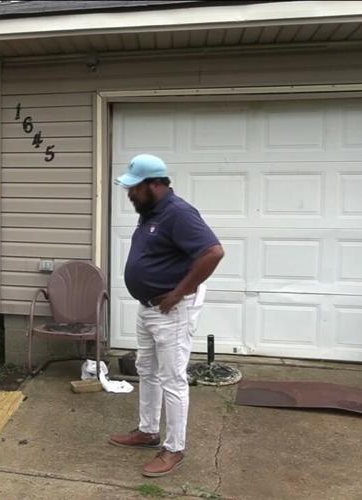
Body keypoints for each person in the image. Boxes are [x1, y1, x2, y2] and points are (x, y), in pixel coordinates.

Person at [108, 154, 225, 477]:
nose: (129, 193)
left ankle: (174, 448)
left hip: (172, 308)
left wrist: (179, 292)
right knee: (147, 368)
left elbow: (213, 252)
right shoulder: (150, 212)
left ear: (155, 184)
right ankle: (148, 430)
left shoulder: (179, 213)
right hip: (148, 306)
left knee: (172, 378)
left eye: (134, 187)